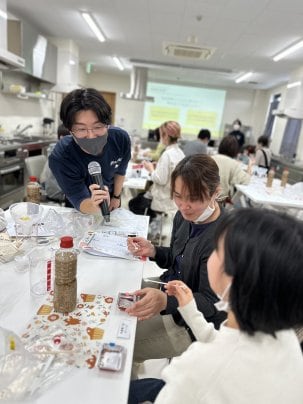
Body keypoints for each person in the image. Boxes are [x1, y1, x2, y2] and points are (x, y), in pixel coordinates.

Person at [129, 208, 303, 404]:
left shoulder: (200, 366)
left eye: (217, 250)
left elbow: (212, 362)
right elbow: (222, 343)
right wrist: (189, 309)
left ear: (233, 277)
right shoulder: (284, 336)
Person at [126, 154, 227, 377]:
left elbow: (211, 302)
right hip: (169, 289)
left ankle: (131, 385)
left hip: (192, 323)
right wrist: (153, 251)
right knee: (120, 299)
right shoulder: (183, 217)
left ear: (215, 193)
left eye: (193, 198)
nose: (184, 205)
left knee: (125, 344)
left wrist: (166, 301)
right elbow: (176, 258)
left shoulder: (222, 238)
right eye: (178, 196)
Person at [49, 88, 131, 214]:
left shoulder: (120, 139)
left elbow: (120, 171)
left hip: (110, 199)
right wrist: (94, 207)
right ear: (70, 130)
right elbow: (78, 198)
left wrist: (116, 197)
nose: (91, 136)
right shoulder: (61, 156)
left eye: (98, 127)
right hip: (80, 208)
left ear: (107, 124)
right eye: (81, 129)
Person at [128, 121, 185, 218]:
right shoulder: (180, 153)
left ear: (165, 135)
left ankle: (151, 221)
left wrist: (150, 169)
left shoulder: (167, 154)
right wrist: (159, 166)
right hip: (173, 197)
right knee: (139, 197)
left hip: (163, 200)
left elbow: (160, 180)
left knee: (133, 203)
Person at [40, 124, 69, 203]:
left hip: (51, 190)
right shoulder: (60, 154)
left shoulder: (56, 148)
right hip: (58, 196)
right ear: (62, 138)